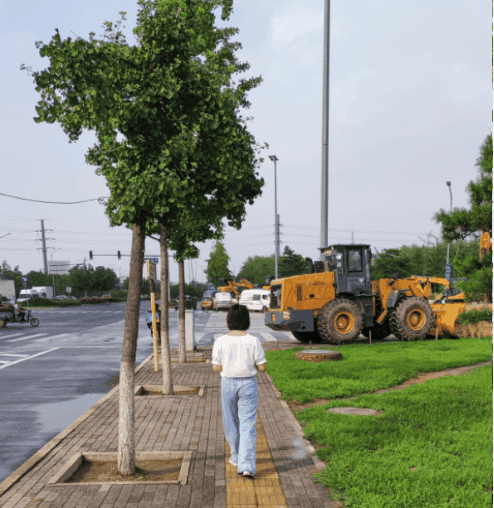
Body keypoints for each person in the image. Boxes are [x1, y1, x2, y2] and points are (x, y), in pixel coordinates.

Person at [212, 304, 267, 479]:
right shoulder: (253, 340)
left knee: (231, 421)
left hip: (227, 383)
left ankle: (235, 457)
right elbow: (263, 367)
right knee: (248, 424)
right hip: (248, 384)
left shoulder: (220, 340)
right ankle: (247, 466)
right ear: (247, 321)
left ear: (228, 321)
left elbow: (215, 367)